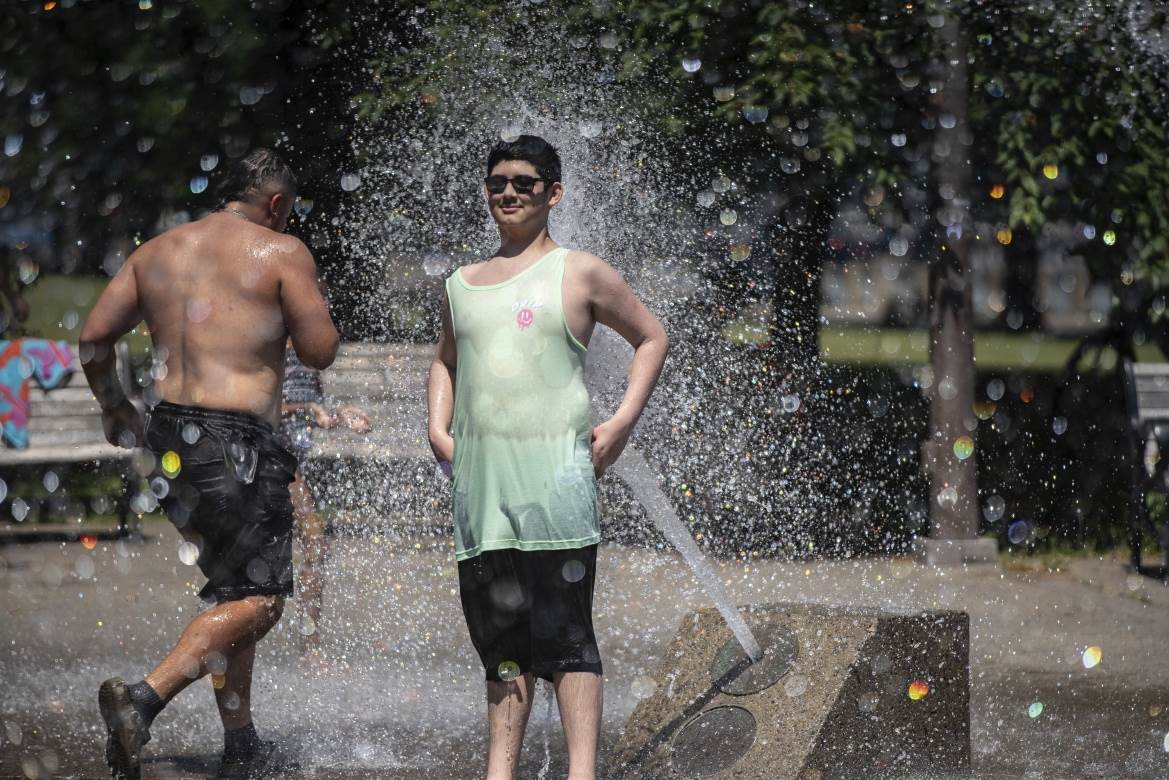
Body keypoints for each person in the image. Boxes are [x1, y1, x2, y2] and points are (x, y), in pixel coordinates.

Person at [80, 148, 338, 780]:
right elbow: (320, 350)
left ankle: (241, 742)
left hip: (169, 437)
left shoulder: (156, 251)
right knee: (264, 597)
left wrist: (115, 406)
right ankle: (145, 699)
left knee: (233, 589)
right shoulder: (282, 251)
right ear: (276, 204)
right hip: (238, 443)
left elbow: (91, 340)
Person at [427, 135, 669, 780]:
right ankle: (499, 772)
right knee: (501, 647)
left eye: (524, 182)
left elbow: (651, 336)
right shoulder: (461, 284)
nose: (509, 192)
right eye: (498, 181)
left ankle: (581, 773)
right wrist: (436, 427)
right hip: (483, 494)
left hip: (558, 487)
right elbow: (446, 360)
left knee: (566, 640)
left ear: (552, 193)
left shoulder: (579, 271)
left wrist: (620, 424)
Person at [277, 338, 371, 668]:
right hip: (260, 461)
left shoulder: (309, 354)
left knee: (316, 548)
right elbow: (258, 408)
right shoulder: (267, 340)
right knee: (311, 545)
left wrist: (337, 416)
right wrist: (306, 410)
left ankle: (311, 648)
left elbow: (311, 415)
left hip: (289, 466)